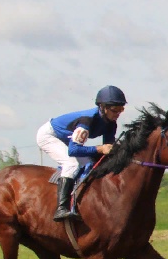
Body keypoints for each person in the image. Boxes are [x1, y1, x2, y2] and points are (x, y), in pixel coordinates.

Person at [37, 85, 127, 222]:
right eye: (115, 109)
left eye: (121, 109)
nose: (118, 114)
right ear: (103, 107)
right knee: (71, 164)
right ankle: (61, 208)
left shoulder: (111, 124)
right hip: (49, 136)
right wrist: (99, 149)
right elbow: (73, 150)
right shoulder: (87, 121)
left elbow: (108, 150)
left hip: (66, 139)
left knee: (91, 162)